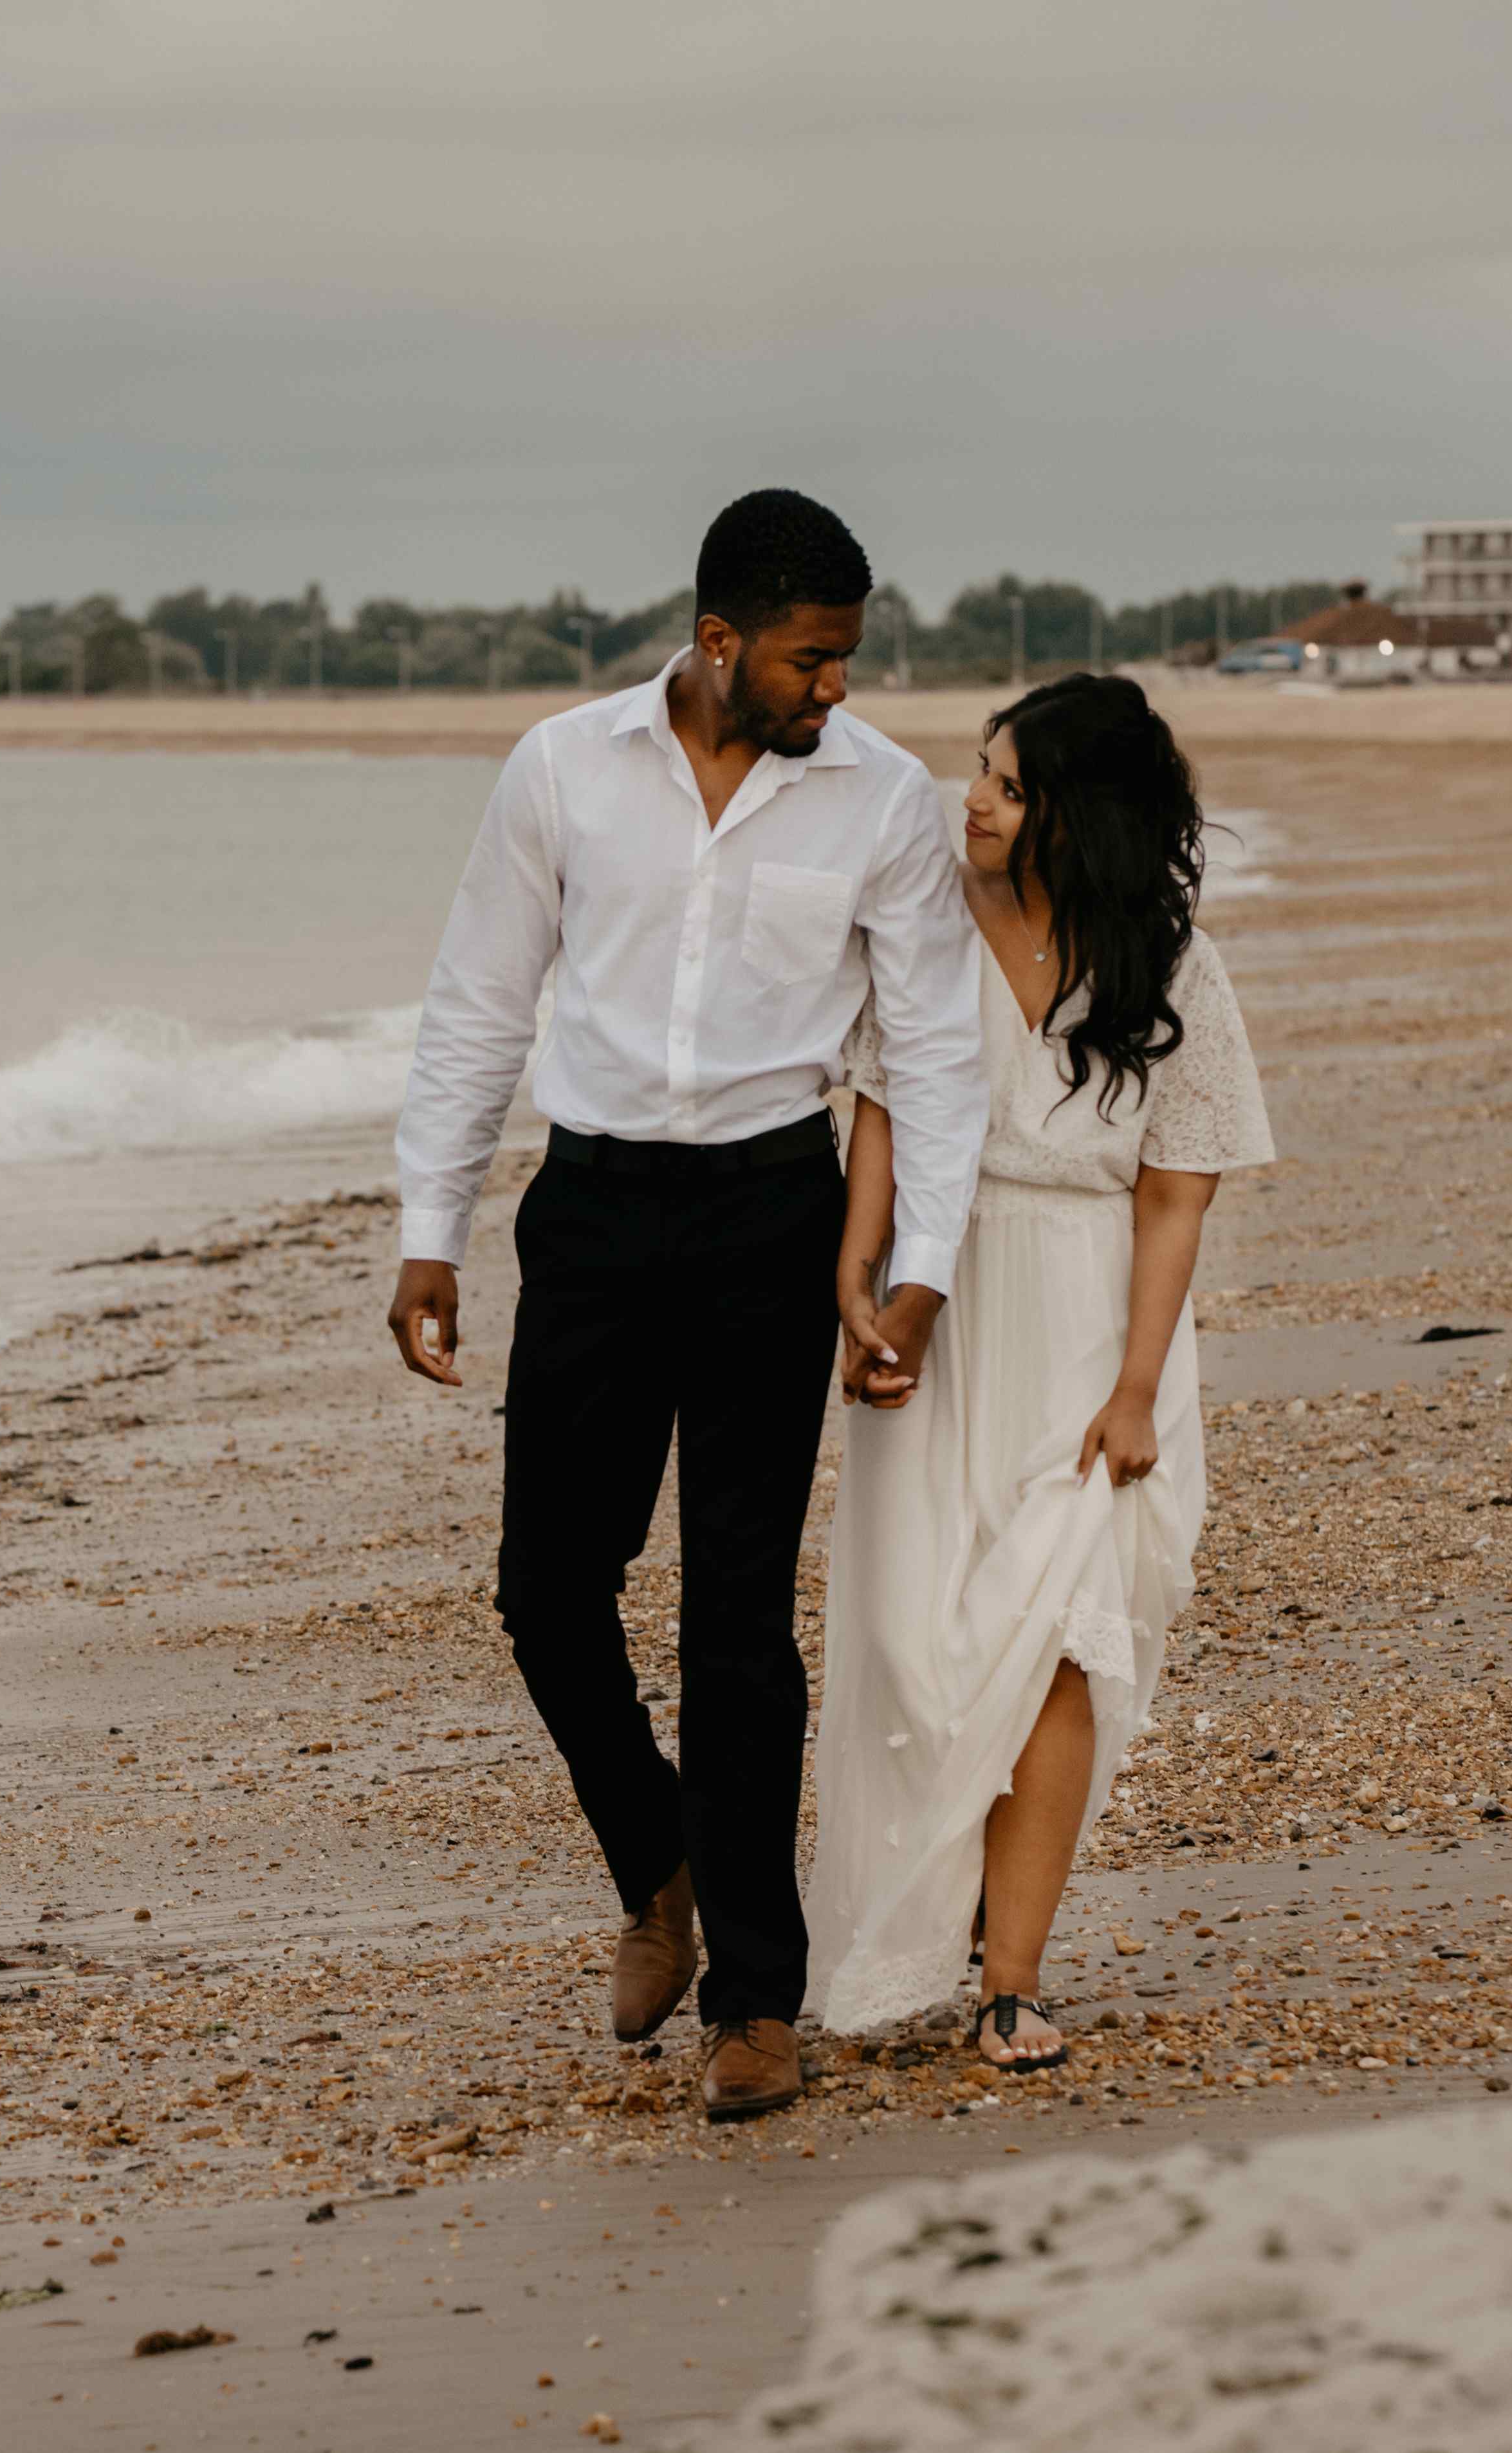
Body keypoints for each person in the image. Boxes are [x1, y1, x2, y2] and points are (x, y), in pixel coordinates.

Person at [387, 491, 986, 2123]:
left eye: (846, 659)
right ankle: (652, 1864)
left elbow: (932, 1046)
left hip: (767, 1217)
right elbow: (479, 998)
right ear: (719, 641)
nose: (835, 690)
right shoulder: (562, 767)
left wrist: (915, 1270)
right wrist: (427, 1221)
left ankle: (757, 2000)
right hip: (588, 1213)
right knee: (544, 1588)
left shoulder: (882, 800)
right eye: (810, 660)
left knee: (736, 1618)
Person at [806, 672, 1273, 2064]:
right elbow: (885, 1105)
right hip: (948, 1305)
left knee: (1064, 1642)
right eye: (977, 772)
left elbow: (1175, 1197)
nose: (975, 800)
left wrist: (1135, 1389)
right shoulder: (930, 930)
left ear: (1078, 812)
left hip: (1090, 1328)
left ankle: (1008, 1978)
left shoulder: (1168, 965)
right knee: (915, 1642)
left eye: (1006, 783)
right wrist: (863, 1277)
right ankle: (936, 1896)